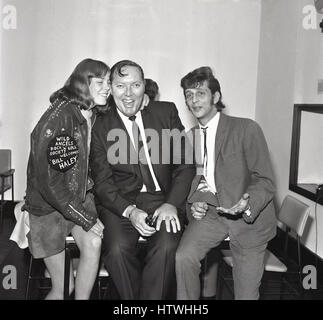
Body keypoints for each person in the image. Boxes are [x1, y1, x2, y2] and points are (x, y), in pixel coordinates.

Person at [89, 60, 195, 300]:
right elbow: (103, 183)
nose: (128, 93)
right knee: (116, 251)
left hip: (163, 200)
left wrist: (171, 204)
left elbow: (185, 165)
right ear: (110, 88)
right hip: (120, 203)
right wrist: (130, 211)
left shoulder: (166, 113)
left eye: (135, 85)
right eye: (120, 86)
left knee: (167, 246)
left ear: (144, 87)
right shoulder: (99, 125)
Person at [175, 66, 277, 300]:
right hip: (213, 215)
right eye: (188, 95)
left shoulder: (246, 128)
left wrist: (246, 204)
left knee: (246, 295)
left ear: (216, 97)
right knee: (184, 257)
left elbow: (266, 180)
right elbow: (197, 179)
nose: (193, 100)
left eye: (200, 93)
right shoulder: (189, 137)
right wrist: (196, 202)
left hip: (250, 220)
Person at [24, 58, 109, 299]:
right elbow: (51, 186)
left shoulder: (89, 111)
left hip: (77, 198)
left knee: (93, 244)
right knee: (63, 288)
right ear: (84, 83)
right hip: (49, 208)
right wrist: (85, 218)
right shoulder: (59, 119)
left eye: (109, 83)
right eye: (101, 82)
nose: (107, 88)